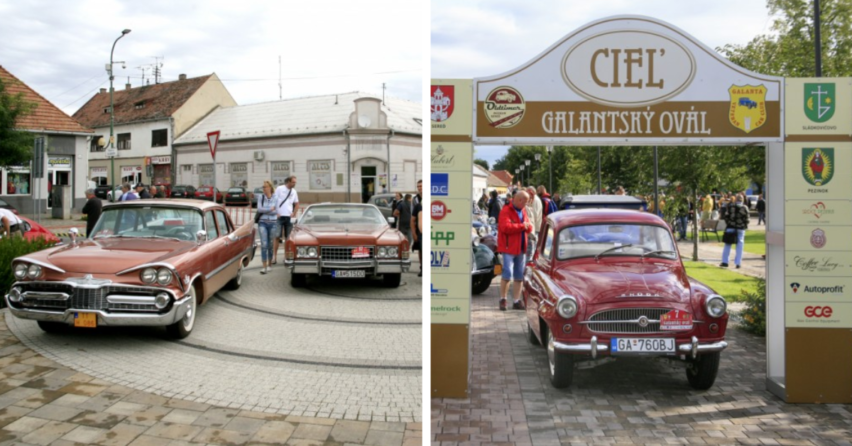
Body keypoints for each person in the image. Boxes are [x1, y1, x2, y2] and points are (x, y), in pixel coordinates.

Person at [497, 191, 533, 311]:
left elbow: (529, 226)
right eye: (526, 202)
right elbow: (505, 227)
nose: (527, 204)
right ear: (519, 200)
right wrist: (522, 226)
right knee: (507, 274)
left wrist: (526, 226)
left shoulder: (522, 210)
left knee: (519, 276)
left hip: (521, 248)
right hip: (509, 248)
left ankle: (517, 301)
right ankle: (503, 299)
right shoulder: (506, 210)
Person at [272, 176, 299, 264]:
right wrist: (276, 213)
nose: (294, 184)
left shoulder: (294, 191)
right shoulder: (280, 189)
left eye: (295, 182)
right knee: (276, 237)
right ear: (288, 182)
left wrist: (294, 213)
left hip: (288, 218)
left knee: (288, 238)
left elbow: (297, 204)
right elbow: (273, 201)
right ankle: (274, 257)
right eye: (293, 182)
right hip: (279, 217)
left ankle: (286, 257)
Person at [720, 194, 750, 269]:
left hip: (731, 227)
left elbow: (726, 216)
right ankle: (738, 263)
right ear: (742, 200)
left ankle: (725, 262)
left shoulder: (731, 207)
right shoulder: (744, 208)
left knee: (727, 244)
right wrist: (743, 224)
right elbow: (747, 219)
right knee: (740, 245)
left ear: (736, 199)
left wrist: (730, 223)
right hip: (740, 228)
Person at [256, 181, 278, 274]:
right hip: (262, 223)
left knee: (270, 244)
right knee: (264, 244)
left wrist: (268, 210)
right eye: (263, 187)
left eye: (265, 187)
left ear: (270, 187)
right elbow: (259, 209)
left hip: (273, 223)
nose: (264, 189)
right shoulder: (261, 197)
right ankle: (264, 266)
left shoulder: (275, 197)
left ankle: (269, 265)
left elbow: (276, 211)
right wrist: (270, 209)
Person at [525, 186, 542, 258]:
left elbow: (534, 215)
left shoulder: (535, 200)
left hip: (534, 229)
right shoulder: (535, 200)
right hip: (534, 228)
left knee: (531, 251)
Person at [411, 196, 422, 277]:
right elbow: (412, 220)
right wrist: (414, 233)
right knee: (421, 251)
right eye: (418, 186)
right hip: (421, 232)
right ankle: (422, 268)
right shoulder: (418, 205)